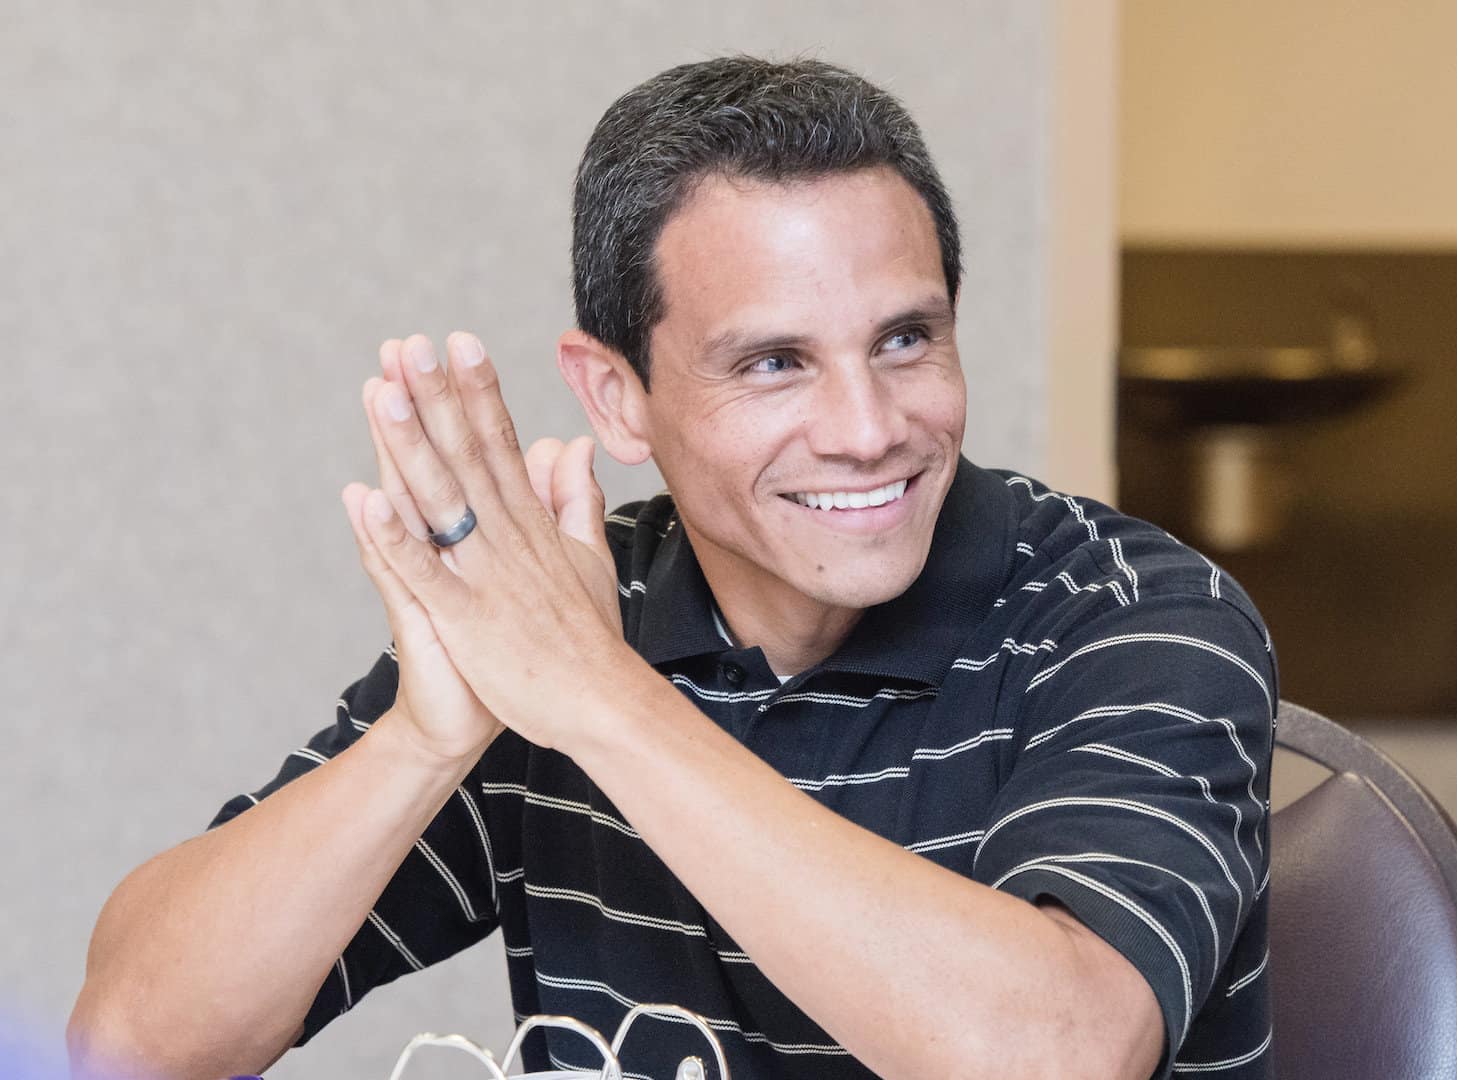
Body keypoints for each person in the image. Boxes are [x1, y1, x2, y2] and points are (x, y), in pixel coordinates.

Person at [69, 56, 1275, 1080]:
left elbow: (1058, 1054)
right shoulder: (580, 610)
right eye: (774, 364)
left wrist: (600, 701)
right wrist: (425, 741)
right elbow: (129, 1044)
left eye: (905, 340)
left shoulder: (1138, 618)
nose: (868, 429)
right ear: (616, 397)